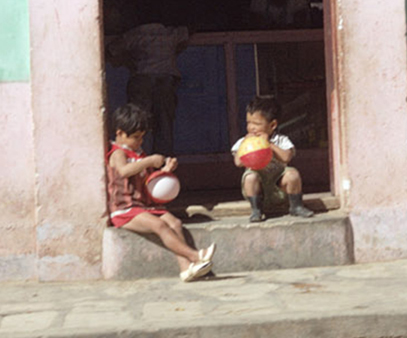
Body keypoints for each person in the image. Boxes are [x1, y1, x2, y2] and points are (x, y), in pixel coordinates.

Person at [106, 102, 214, 282]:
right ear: (119, 133)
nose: (139, 141)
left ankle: (185, 268)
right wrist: (149, 161)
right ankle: (195, 256)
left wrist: (165, 171)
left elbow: (147, 180)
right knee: (160, 226)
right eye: (135, 137)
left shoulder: (138, 154)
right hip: (125, 210)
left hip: (143, 206)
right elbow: (124, 171)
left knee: (175, 223)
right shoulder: (118, 154)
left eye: (142, 137)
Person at [232, 95, 312, 223]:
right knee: (250, 177)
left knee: (293, 174)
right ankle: (256, 210)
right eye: (248, 123)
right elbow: (238, 162)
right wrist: (244, 145)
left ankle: (296, 206)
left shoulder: (280, 140)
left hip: (279, 189)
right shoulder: (244, 142)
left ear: (273, 125)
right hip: (258, 189)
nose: (251, 127)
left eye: (256, 124)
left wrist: (269, 144)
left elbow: (286, 157)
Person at [120, 21, 190, 156]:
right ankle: (163, 161)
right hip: (166, 80)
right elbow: (188, 32)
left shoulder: (134, 34)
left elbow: (112, 50)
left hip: (141, 79)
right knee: (164, 124)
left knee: (139, 121)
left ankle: (139, 158)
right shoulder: (171, 33)